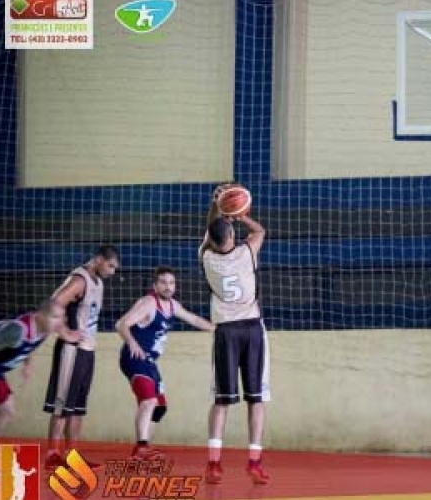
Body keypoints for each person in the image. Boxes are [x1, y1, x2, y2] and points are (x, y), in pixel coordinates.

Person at [200, 184, 270, 484]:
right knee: (256, 400)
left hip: (225, 333)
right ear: (230, 236)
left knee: (222, 400)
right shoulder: (246, 251)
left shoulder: (206, 257)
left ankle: (214, 463)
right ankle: (254, 462)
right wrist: (240, 215)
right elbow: (261, 232)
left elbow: (210, 232)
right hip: (252, 330)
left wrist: (217, 206)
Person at [115, 266, 215, 460]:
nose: (168, 287)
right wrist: (132, 342)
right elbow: (121, 324)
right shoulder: (148, 303)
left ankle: (141, 451)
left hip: (149, 362)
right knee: (149, 400)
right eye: (163, 282)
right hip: (135, 358)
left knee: (159, 407)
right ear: (155, 285)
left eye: (171, 283)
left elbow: (193, 318)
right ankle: (141, 448)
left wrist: (216, 329)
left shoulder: (173, 306)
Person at [43, 245, 120, 471]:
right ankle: (52, 454)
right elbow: (55, 302)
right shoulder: (80, 279)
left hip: (87, 350)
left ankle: (72, 457)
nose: (113, 271)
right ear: (98, 260)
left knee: (77, 407)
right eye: (111, 265)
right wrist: (65, 332)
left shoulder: (99, 282)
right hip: (71, 350)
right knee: (62, 404)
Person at [0, 301, 77, 438]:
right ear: (40, 316)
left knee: (7, 410)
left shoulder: (43, 330)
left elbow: (30, 345)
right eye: (55, 317)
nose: (60, 322)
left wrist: (28, 364)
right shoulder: (17, 331)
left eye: (62, 317)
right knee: (6, 410)